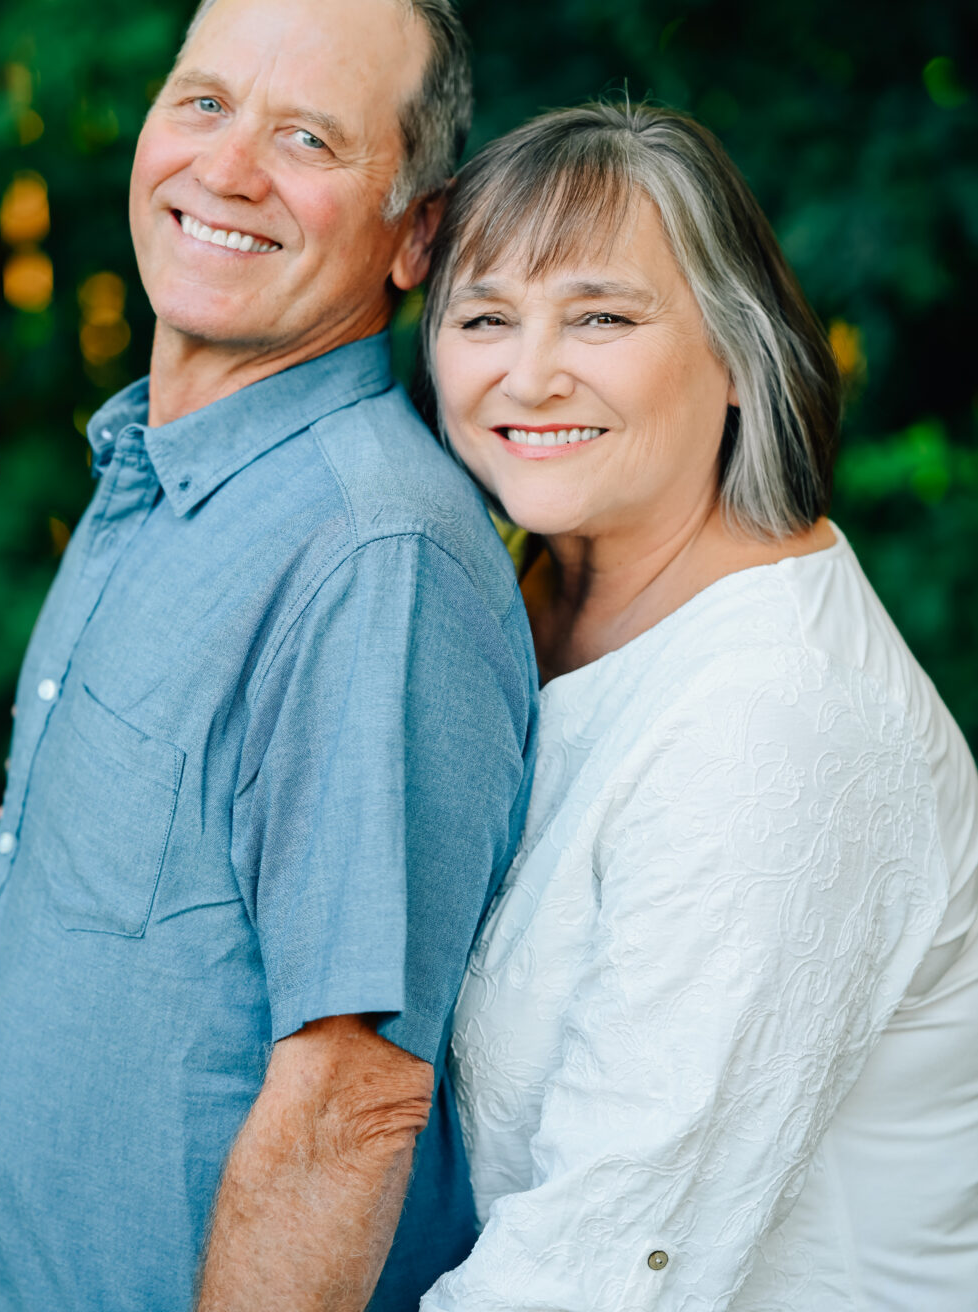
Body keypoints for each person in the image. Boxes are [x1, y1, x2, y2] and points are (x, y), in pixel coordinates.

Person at [0, 0, 538, 1312]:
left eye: (307, 138)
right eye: (203, 103)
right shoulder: (150, 479)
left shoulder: (373, 555)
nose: (227, 169)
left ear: (414, 233)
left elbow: (350, 1104)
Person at [418, 101, 978, 1311]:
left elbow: (599, 1269)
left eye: (602, 316)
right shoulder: (520, 602)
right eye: (485, 318)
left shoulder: (773, 723)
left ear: (738, 354)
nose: (528, 371)